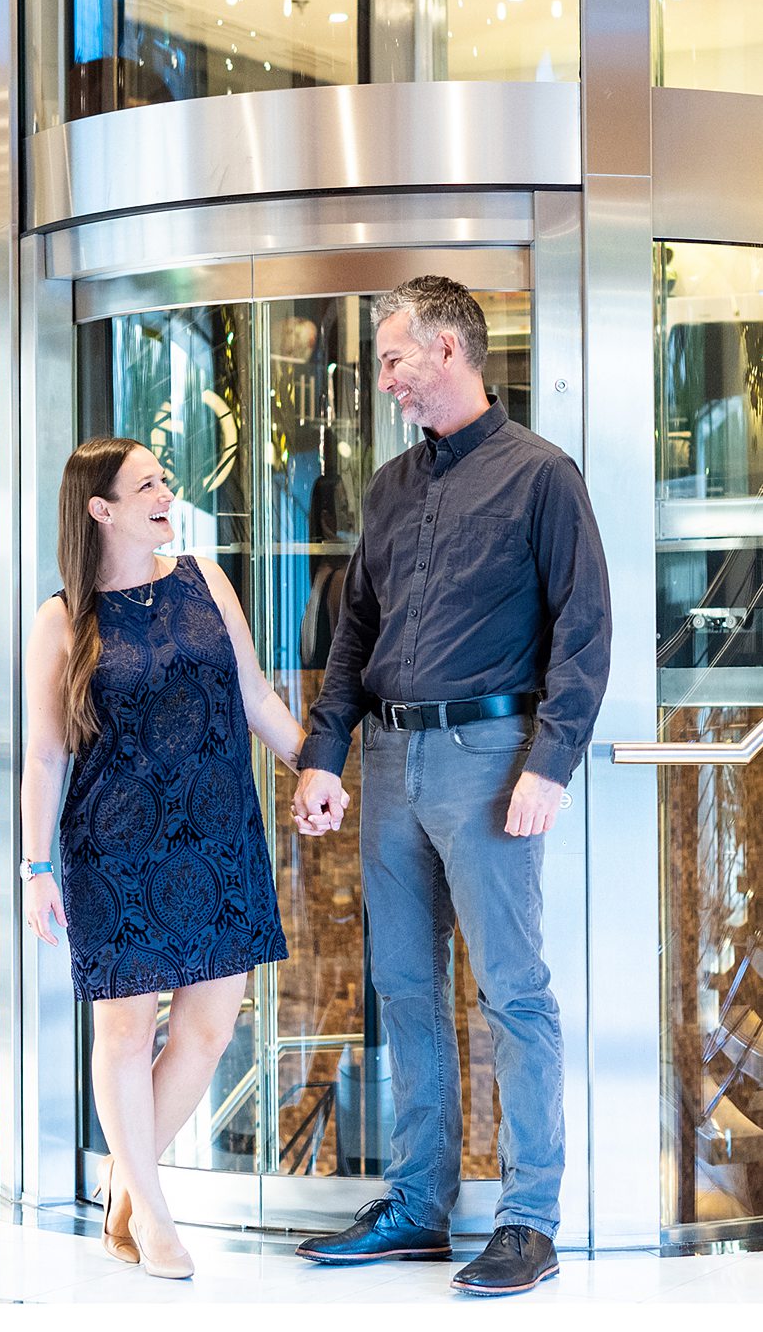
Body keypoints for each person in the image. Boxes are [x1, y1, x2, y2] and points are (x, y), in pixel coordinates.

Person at [291, 276, 612, 1297]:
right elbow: (353, 638)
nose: (384, 379)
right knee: (404, 987)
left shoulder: (542, 476)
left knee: (514, 991)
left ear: (447, 351)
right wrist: (321, 755)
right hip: (388, 761)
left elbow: (585, 629)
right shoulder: (387, 488)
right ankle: (419, 1205)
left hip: (490, 759)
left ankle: (529, 1219)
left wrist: (548, 761)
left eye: (393, 359)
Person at [21, 437, 343, 1280]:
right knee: (125, 1032)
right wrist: (33, 869)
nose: (169, 492)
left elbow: (255, 697)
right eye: (149, 485)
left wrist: (314, 766)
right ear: (102, 510)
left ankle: (128, 1192)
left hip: (219, 836)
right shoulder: (61, 618)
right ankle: (154, 1218)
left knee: (204, 1032)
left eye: (166, 478)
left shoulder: (205, 580)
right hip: (113, 850)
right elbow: (45, 757)